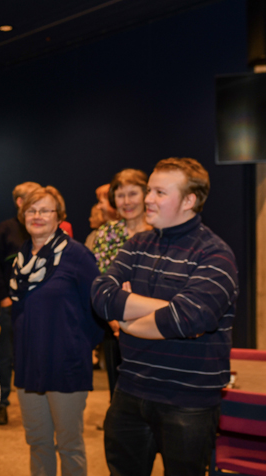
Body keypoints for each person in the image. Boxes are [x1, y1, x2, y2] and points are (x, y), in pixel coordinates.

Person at [91, 157, 238, 476]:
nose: (147, 199)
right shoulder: (137, 243)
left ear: (189, 200)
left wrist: (128, 316)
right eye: (149, 191)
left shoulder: (215, 254)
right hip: (129, 391)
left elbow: (190, 318)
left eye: (159, 192)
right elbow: (101, 296)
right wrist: (166, 308)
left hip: (189, 400)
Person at [9, 186, 104, 476]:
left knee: (69, 444)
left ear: (59, 216)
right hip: (28, 365)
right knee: (38, 442)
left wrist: (75, 345)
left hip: (66, 366)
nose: (37, 216)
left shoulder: (77, 255)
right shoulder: (22, 258)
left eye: (45, 210)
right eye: (31, 210)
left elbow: (98, 309)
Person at [90, 169, 152, 397]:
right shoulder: (106, 233)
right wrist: (115, 322)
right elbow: (98, 280)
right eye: (120, 195)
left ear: (147, 194)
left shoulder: (161, 232)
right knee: (119, 394)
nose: (126, 202)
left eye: (132, 194)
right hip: (115, 328)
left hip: (157, 324)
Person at [0, 180, 40, 425]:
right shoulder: (6, 229)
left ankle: (38, 406)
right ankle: (1, 404)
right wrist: (3, 298)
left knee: (37, 355)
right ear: (19, 202)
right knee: (6, 356)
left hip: (39, 308)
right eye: (32, 198)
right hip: (11, 306)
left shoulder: (42, 228)